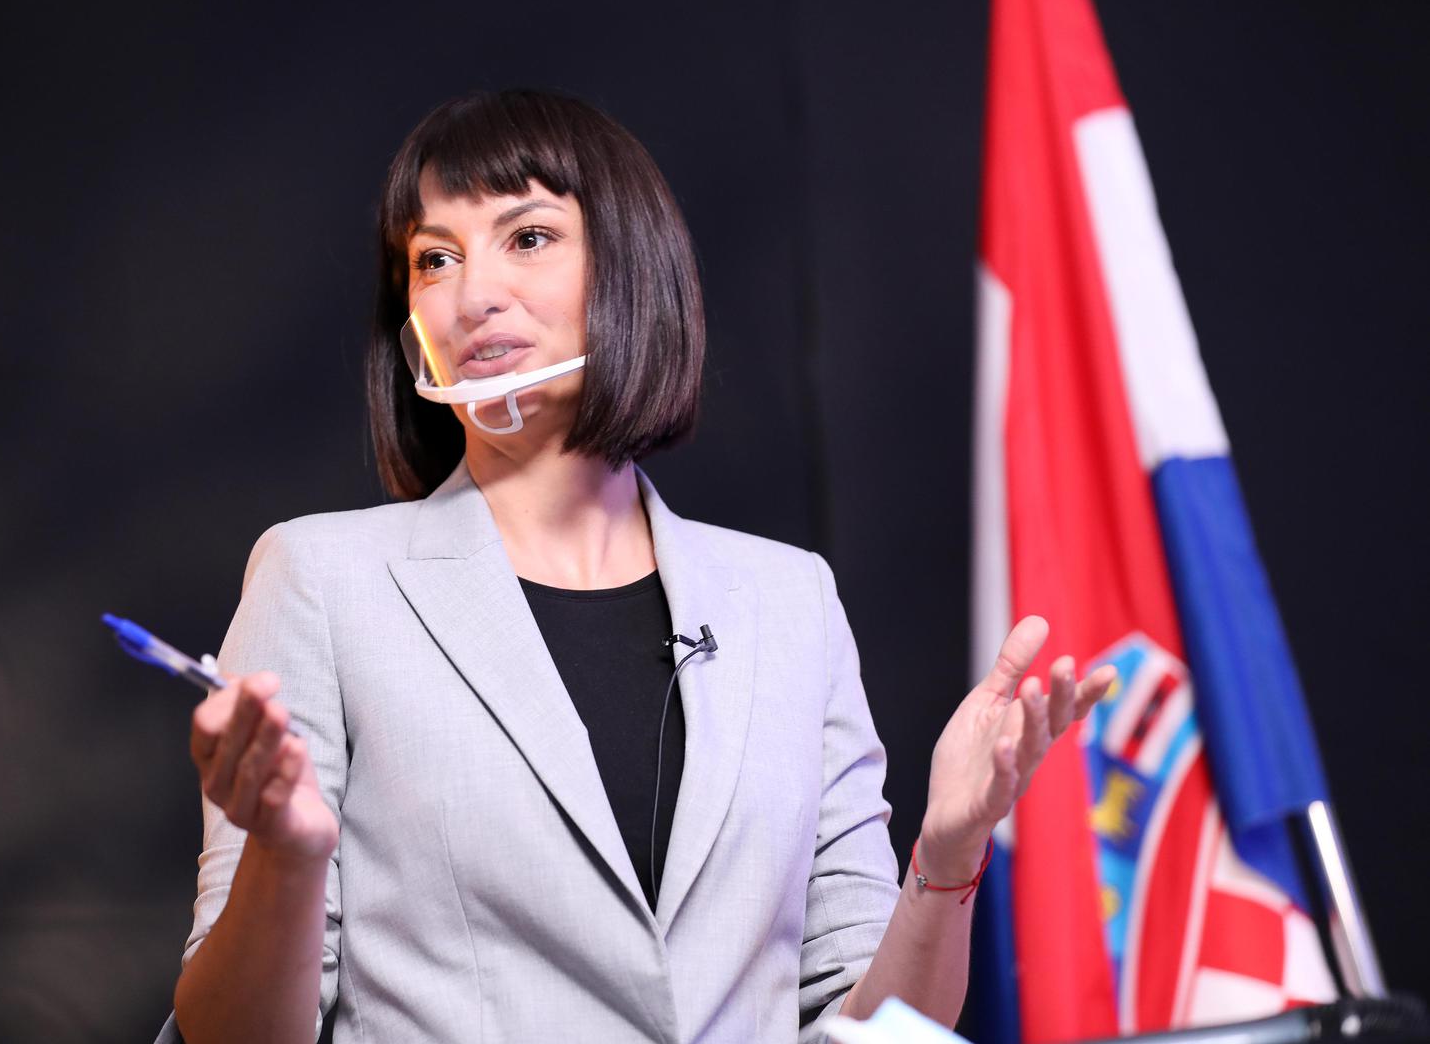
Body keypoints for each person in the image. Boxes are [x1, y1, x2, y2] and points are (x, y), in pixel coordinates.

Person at [158, 90, 1112, 1044]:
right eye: (434, 258)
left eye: (527, 237)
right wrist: (285, 860)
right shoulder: (322, 580)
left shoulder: (791, 602)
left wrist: (948, 853)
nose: (472, 293)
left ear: (629, 268)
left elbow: (867, 1027)